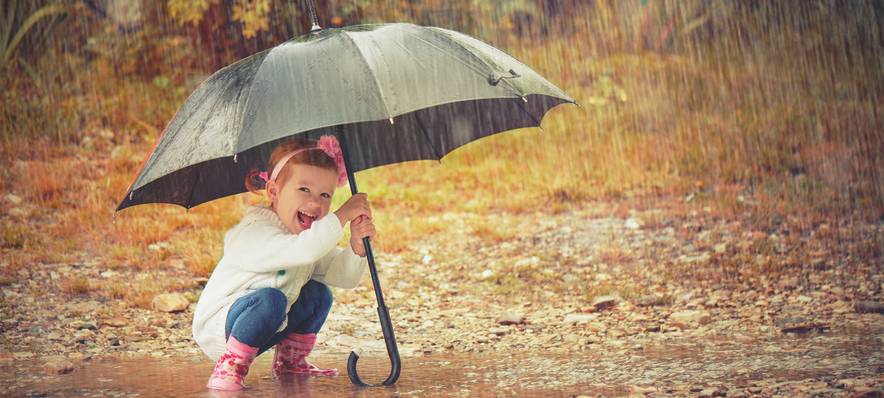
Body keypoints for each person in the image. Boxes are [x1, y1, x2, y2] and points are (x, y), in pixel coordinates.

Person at [191, 135, 374, 391]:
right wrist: (342, 215)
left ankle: (290, 362)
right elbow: (305, 251)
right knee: (271, 299)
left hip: (270, 325)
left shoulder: (304, 239)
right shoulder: (254, 232)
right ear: (274, 191)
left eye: (325, 195)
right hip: (224, 329)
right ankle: (230, 366)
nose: (316, 203)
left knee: (318, 293)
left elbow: (342, 276)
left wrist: (357, 246)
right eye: (304, 190)